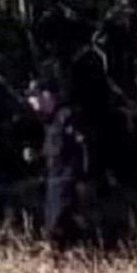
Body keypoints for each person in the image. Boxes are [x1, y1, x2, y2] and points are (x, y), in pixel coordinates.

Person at [26, 78, 89, 251]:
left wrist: (82, 178)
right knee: (54, 224)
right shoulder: (50, 123)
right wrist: (36, 156)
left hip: (67, 180)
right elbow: (53, 152)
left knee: (58, 225)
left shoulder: (66, 117)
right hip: (53, 180)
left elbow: (82, 147)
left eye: (35, 96)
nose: (32, 101)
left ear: (47, 95)